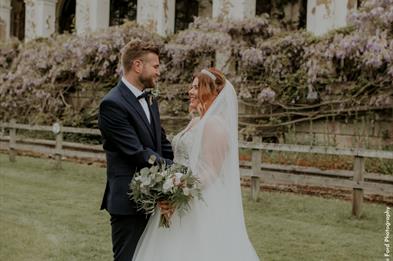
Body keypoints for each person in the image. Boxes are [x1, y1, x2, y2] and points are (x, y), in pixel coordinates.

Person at [132, 68, 260, 261]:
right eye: (191, 87)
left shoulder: (215, 125)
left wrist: (179, 188)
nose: (190, 92)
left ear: (212, 92)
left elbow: (210, 171)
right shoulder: (196, 121)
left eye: (196, 87)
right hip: (178, 201)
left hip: (199, 204)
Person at [98, 39, 174, 261]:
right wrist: (176, 169)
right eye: (156, 66)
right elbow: (137, 152)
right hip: (128, 202)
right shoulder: (112, 104)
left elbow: (161, 142)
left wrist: (174, 178)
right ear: (138, 65)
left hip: (155, 197)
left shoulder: (150, 98)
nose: (158, 72)